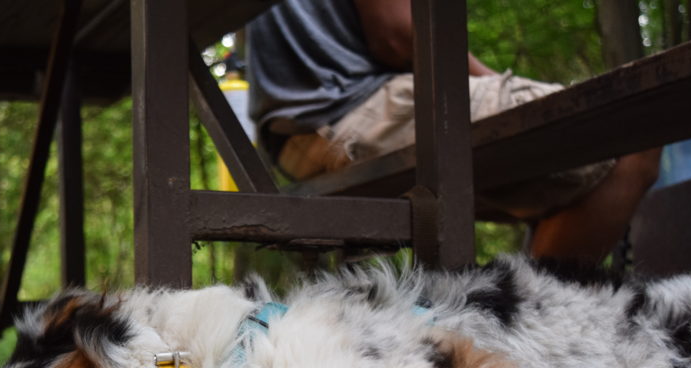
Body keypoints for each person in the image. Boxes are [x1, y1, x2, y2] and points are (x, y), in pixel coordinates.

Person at [247, 0, 661, 266]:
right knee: (631, 129)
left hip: (296, 140)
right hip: (361, 110)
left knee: (561, 181)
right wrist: (494, 80)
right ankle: (533, 337)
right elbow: (396, 33)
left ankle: (515, 333)